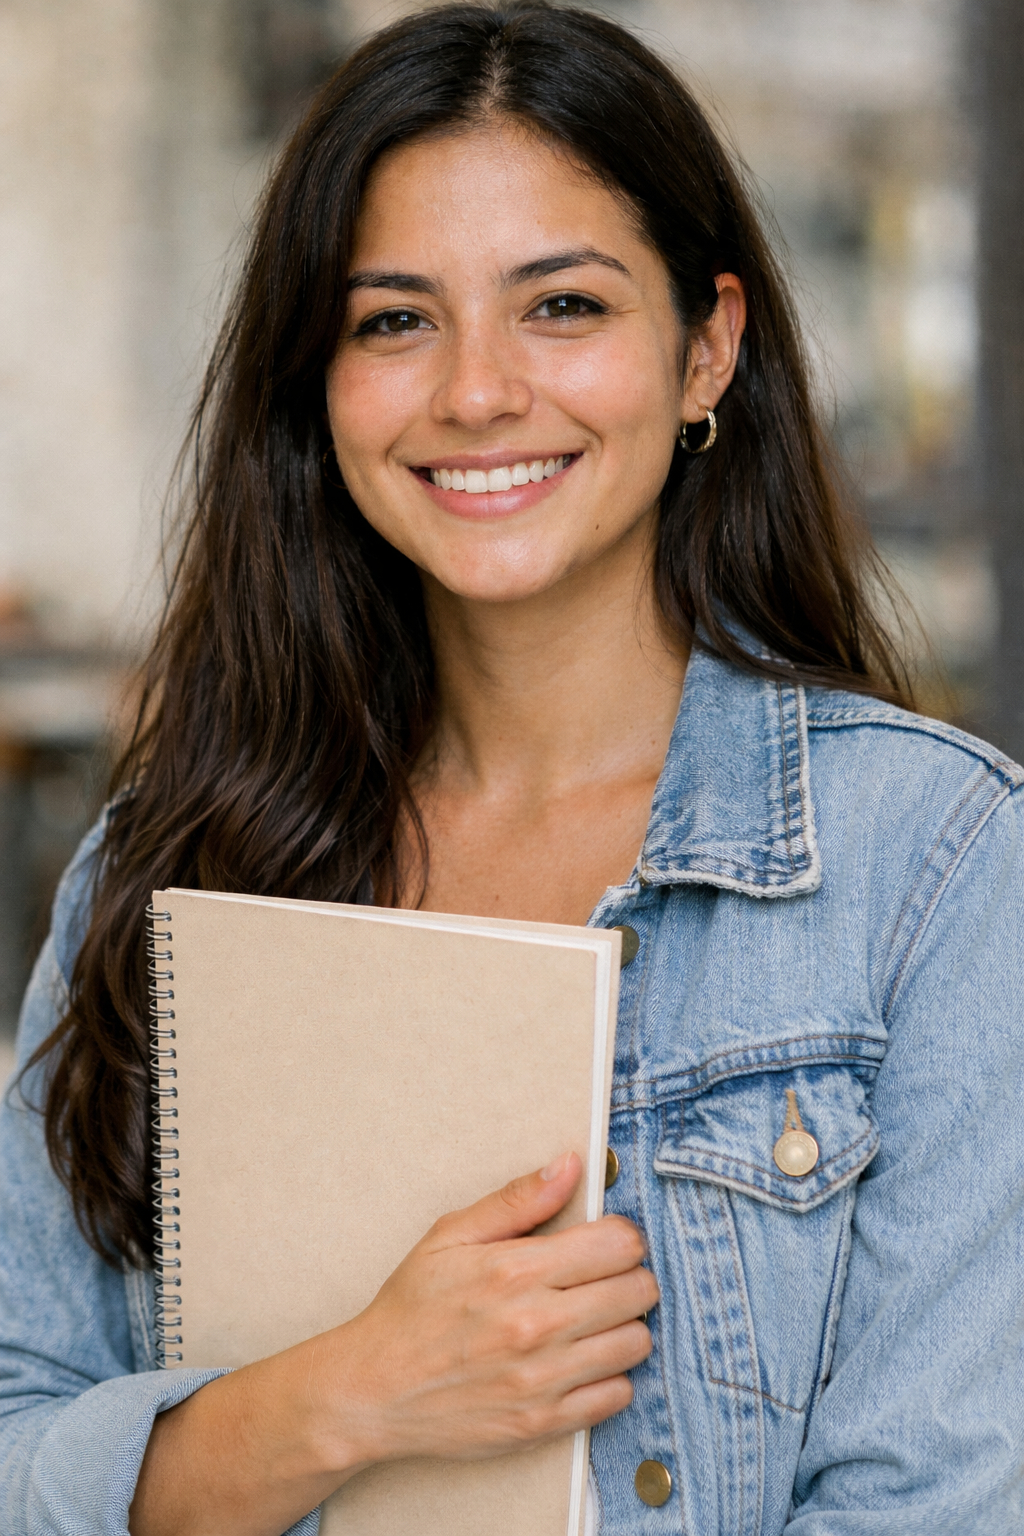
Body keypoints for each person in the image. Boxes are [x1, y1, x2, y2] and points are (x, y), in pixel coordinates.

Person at [1, 4, 1022, 1533]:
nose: (476, 391)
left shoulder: (931, 864)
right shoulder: (171, 857)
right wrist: (348, 1394)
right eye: (394, 320)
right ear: (318, 382)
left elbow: (935, 1508)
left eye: (562, 306)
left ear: (708, 350)